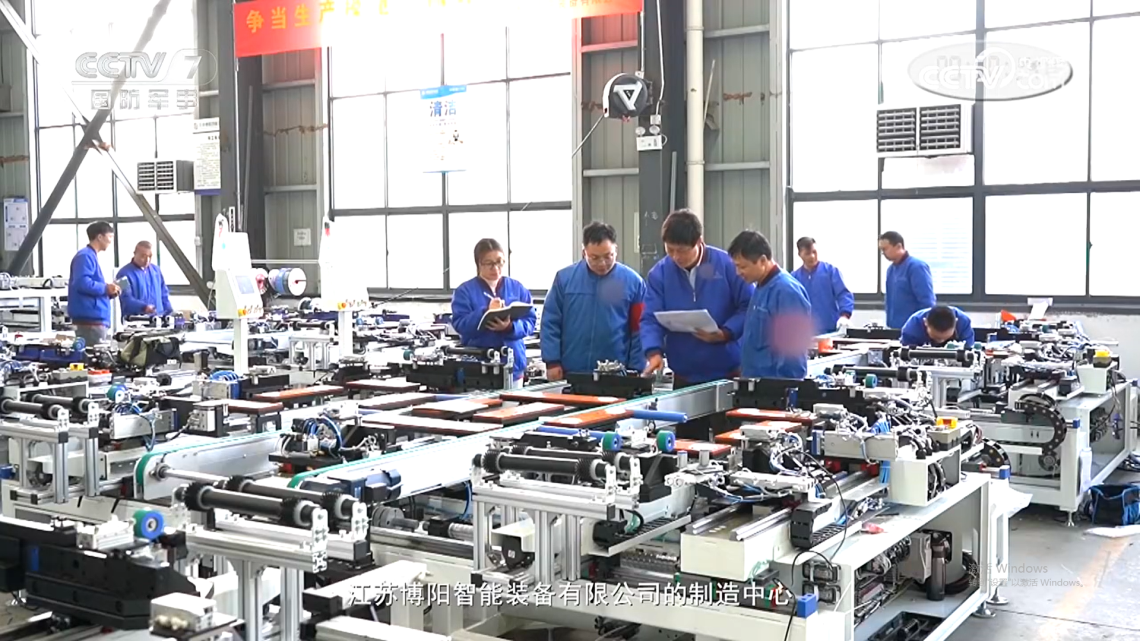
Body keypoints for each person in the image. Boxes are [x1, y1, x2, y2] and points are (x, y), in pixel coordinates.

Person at [640, 210, 754, 387]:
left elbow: (749, 306)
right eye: (670, 250)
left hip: (729, 372)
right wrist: (653, 352)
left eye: (682, 251)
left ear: (699, 242)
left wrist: (725, 333)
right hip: (683, 375)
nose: (676, 257)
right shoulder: (659, 274)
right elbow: (650, 318)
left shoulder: (728, 266)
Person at [541, 222, 646, 379]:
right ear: (584, 253)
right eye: (594, 258)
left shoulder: (634, 283)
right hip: (572, 372)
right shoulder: (564, 280)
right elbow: (550, 322)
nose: (602, 264)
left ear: (616, 250)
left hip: (616, 374)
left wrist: (636, 368)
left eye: (608, 256)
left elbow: (640, 328)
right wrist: (552, 362)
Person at [450, 238, 536, 386]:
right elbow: (460, 324)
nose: (495, 268)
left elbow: (530, 321)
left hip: (513, 365)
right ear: (478, 263)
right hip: (479, 367)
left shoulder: (517, 288)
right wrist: (485, 312)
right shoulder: (464, 291)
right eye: (489, 263)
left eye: (499, 262)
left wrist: (510, 327)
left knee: (513, 401)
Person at [728, 230, 813, 379]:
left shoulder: (786, 292)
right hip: (754, 382)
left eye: (743, 267)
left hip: (774, 386)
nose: (738, 272)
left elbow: (794, 356)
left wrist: (786, 388)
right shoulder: (760, 287)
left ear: (762, 260)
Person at [68, 221, 120, 345]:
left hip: (95, 319)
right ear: (100, 237)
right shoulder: (85, 256)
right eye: (110, 237)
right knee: (93, 354)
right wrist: (105, 288)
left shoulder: (90, 256)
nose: (111, 241)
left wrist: (110, 291)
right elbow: (82, 283)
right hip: (90, 321)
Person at [791, 236, 854, 334]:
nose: (812, 256)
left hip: (830, 330)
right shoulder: (794, 279)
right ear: (800, 255)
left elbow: (843, 294)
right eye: (807, 253)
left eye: (814, 252)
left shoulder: (831, 272)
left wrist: (844, 315)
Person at [879, 231, 935, 329]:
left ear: (898, 246)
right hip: (894, 327)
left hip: (914, 328)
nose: (883, 253)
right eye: (881, 250)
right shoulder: (891, 270)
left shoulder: (917, 267)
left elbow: (927, 301)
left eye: (885, 249)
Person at [115, 240, 173, 318]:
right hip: (135, 320)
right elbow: (126, 299)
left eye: (150, 256)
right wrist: (143, 307)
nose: (147, 260)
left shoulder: (156, 271)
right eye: (143, 256)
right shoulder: (122, 274)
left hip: (157, 319)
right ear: (135, 253)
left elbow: (164, 294)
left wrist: (169, 311)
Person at [900, 305, 975, 348]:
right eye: (936, 337)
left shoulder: (964, 322)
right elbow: (907, 357)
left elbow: (969, 350)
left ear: (956, 322)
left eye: (945, 338)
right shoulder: (912, 328)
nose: (941, 341)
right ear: (925, 322)